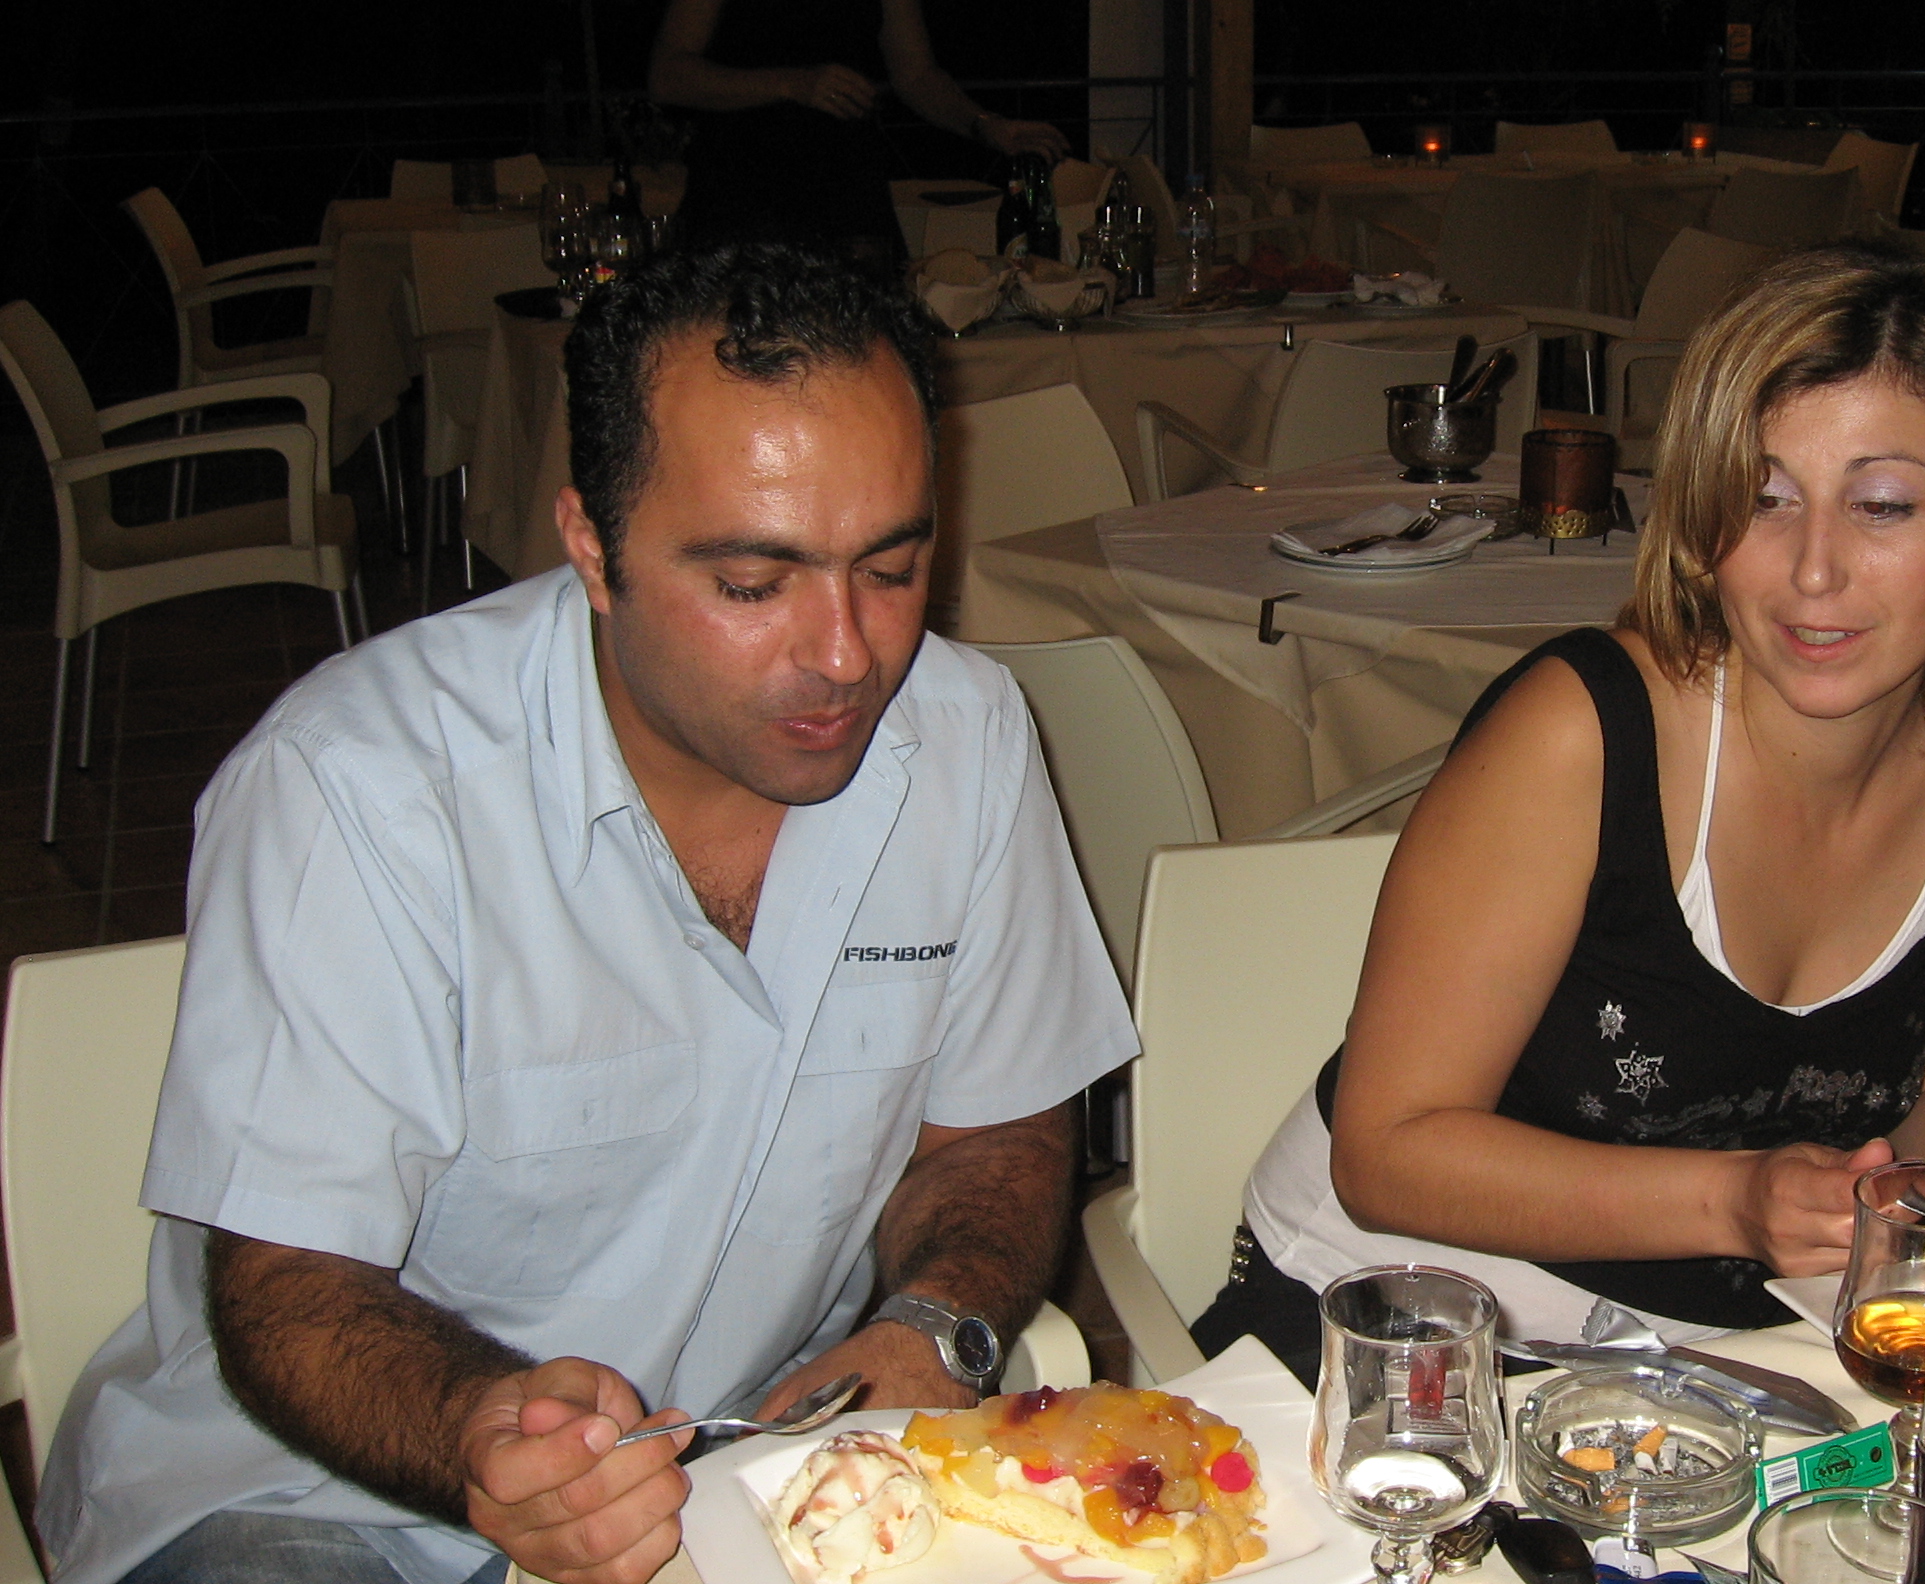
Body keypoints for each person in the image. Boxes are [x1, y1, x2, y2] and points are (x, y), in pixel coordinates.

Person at [37, 243, 1134, 1584]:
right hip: (312, 1504)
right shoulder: (363, 790)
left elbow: (997, 1129)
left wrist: (934, 1326)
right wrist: (480, 1430)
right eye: (753, 585)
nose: (846, 653)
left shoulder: (966, 739)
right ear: (589, 551)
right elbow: (289, 1290)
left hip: (742, 1474)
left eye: (892, 569)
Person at [1192, 240, 1925, 1380]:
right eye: (1761, 500)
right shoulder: (1583, 733)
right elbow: (1386, 1155)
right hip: (1402, 1320)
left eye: (1883, 506)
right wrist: (1739, 1202)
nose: (1814, 569)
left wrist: (1907, 1215)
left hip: (1739, 1352)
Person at [651, 0, 1072, 266]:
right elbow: (668, 76)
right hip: (741, 193)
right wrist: (791, 83)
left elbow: (916, 75)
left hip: (846, 194)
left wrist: (987, 125)